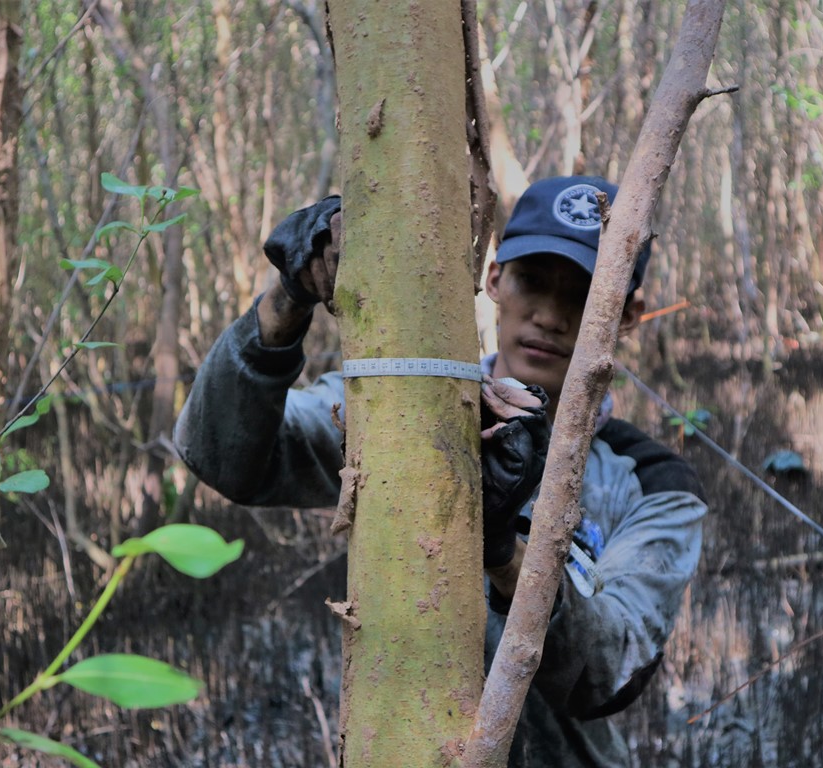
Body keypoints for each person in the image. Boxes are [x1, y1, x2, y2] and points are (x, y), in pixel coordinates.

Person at [173, 175, 706, 767]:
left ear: (626, 314)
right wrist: (287, 299)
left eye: (582, 295)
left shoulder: (655, 485)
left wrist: (503, 550)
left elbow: (608, 673)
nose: (550, 316)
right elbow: (220, 455)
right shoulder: (402, 412)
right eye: (532, 281)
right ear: (495, 279)